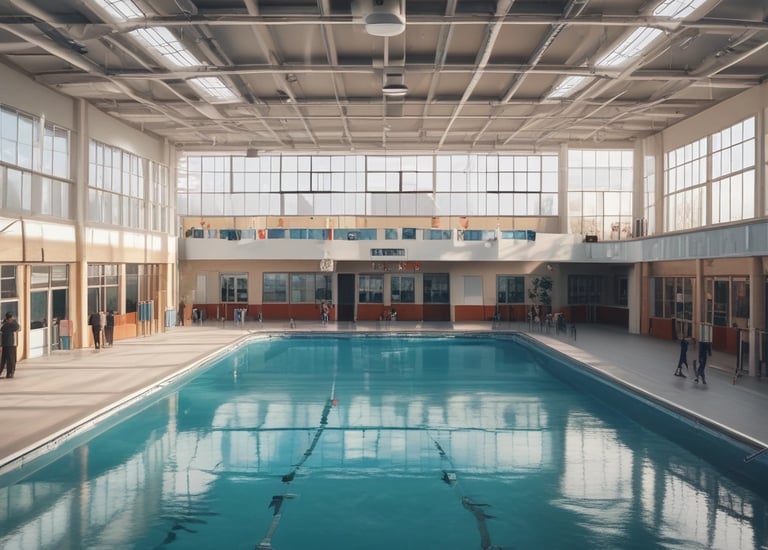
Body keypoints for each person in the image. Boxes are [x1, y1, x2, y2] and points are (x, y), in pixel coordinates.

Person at [0, 312, 20, 378]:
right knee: (11, 360)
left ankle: (9, 373)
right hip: (10, 345)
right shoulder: (10, 325)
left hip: (5, 345)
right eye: (11, 318)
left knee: (3, 360)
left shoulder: (4, 324)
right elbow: (18, 327)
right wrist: (13, 321)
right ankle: (10, 373)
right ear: (9, 319)